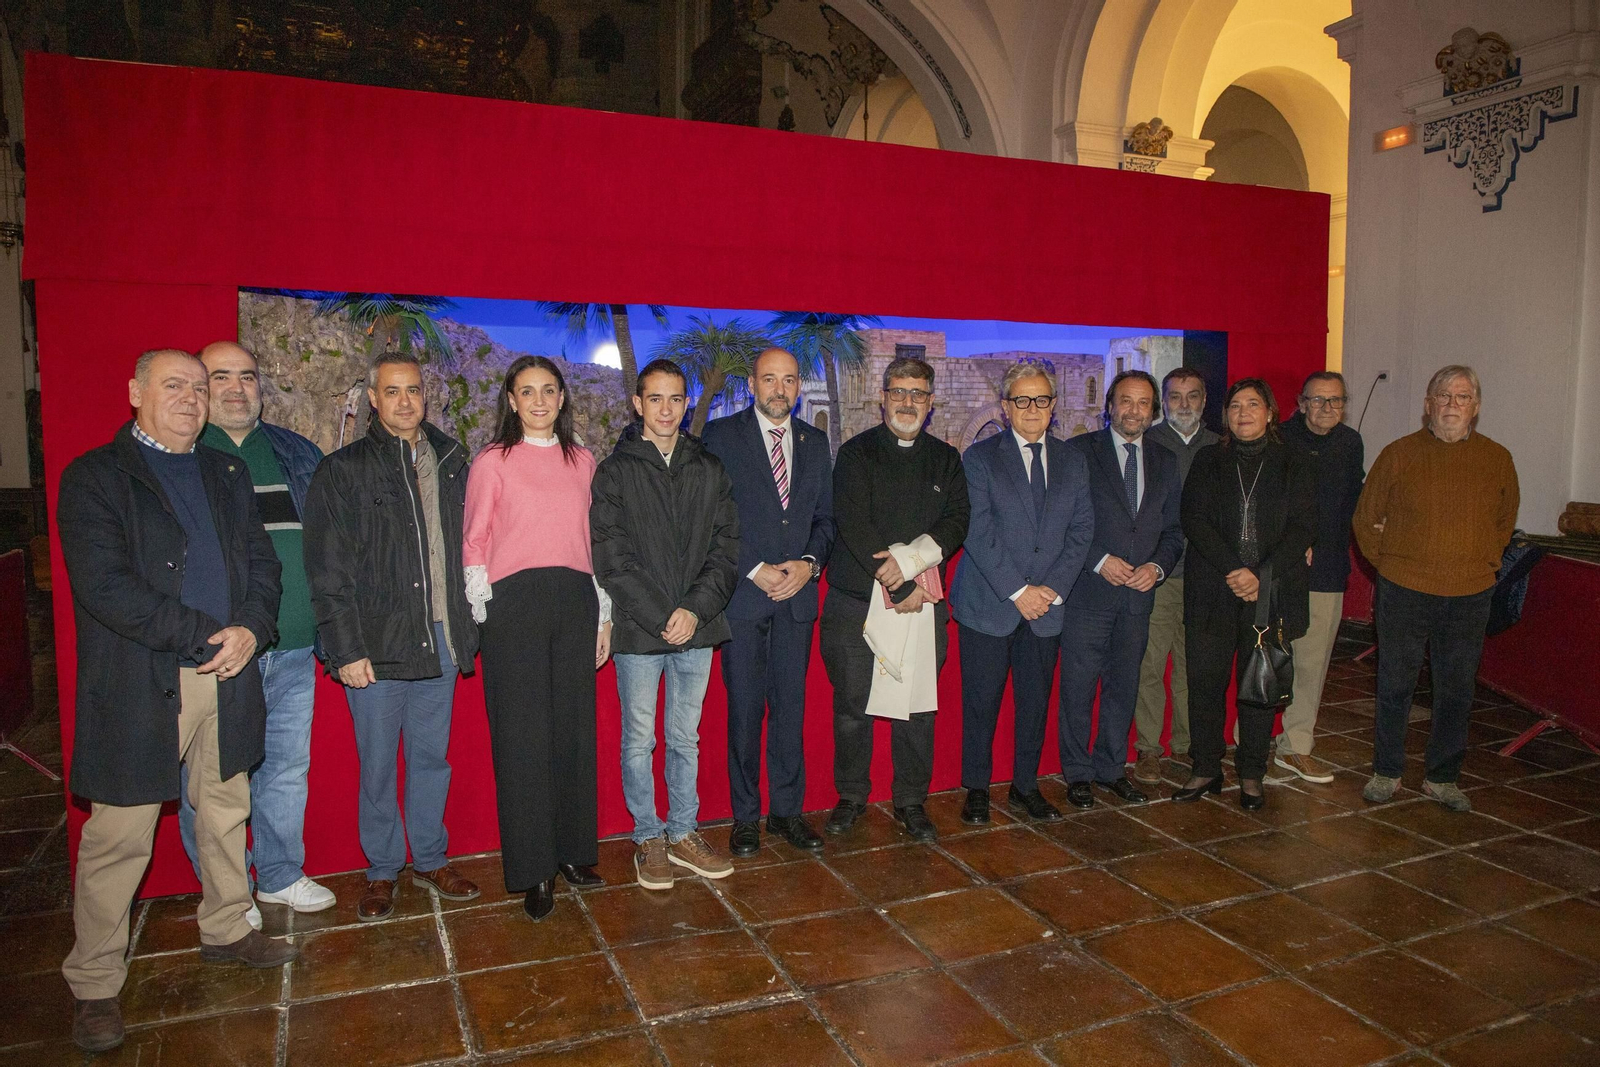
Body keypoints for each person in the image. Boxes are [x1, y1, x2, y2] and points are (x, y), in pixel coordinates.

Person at [58, 349, 294, 1053]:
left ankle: (226, 927)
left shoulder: (227, 472)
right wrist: (206, 634)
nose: (192, 397)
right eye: (175, 385)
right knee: (119, 836)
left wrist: (252, 627)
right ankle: (95, 983)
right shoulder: (96, 476)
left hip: (230, 671)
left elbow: (263, 565)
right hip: (143, 679)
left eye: (200, 386)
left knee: (225, 809)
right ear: (135, 392)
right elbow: (106, 586)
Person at [302, 351, 481, 922]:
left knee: (431, 759)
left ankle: (429, 858)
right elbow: (327, 569)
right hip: (376, 647)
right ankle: (382, 869)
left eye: (414, 390)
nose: (406, 401)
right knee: (377, 765)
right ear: (373, 399)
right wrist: (346, 648)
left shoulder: (452, 460)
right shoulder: (343, 470)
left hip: (442, 639)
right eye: (393, 391)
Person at [168, 342, 334, 922]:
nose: (237, 388)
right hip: (217, 652)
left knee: (286, 770)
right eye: (221, 377)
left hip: (293, 647)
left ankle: (280, 876)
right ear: (200, 387)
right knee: (212, 780)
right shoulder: (184, 454)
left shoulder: (296, 453)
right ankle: (228, 892)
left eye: (247, 376)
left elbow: (328, 545)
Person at [463, 356, 612, 921]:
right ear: (511, 401)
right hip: (513, 606)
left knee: (573, 732)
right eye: (527, 392)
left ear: (562, 397)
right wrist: (484, 613)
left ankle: (573, 853)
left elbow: (594, 543)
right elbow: (474, 541)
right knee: (523, 740)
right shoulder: (492, 461)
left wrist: (603, 615)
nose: (540, 401)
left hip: (575, 600)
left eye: (549, 390)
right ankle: (534, 869)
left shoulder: (583, 461)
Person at [591, 358, 740, 889]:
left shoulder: (709, 467)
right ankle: (648, 837)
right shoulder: (615, 471)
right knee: (638, 740)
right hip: (639, 630)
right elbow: (611, 557)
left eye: (675, 399)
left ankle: (682, 832)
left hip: (698, 626)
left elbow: (727, 548)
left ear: (687, 402)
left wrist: (694, 610)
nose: (666, 409)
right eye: (655, 399)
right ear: (638, 404)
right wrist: (661, 617)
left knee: (684, 738)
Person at [1355, 365, 1518, 812]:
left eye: (1461, 397)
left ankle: (1442, 778)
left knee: (1456, 689)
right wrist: (1391, 566)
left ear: (1475, 407)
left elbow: (1504, 523)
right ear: (1428, 405)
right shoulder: (1398, 454)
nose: (1451, 405)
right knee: (1395, 684)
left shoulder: (1497, 459)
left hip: (1469, 594)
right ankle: (1387, 771)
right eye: (1442, 396)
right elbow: (1366, 519)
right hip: (1404, 589)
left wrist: (1482, 564)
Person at [822, 355, 969, 843]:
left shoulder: (946, 459)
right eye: (899, 392)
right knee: (852, 705)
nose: (908, 402)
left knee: (918, 708)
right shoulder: (855, 453)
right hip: (856, 599)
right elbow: (853, 521)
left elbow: (957, 520)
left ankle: (911, 800)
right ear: (882, 398)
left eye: (918, 394)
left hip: (922, 602)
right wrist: (896, 582)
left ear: (931, 402)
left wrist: (909, 570)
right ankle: (851, 795)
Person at [703, 348, 835, 856]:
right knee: (744, 711)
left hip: (796, 600)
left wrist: (809, 564)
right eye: (769, 379)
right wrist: (753, 567)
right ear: (752, 385)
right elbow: (712, 517)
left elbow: (826, 520)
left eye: (789, 380)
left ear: (799, 386)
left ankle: (786, 813)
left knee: (790, 710)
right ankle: (745, 817)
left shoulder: (815, 441)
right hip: (743, 598)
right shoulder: (720, 437)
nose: (780, 389)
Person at [951, 361, 1093, 824]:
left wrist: (1050, 590)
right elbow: (977, 530)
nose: (1032, 408)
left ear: (1054, 406)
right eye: (1022, 399)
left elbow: (1082, 531)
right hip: (989, 604)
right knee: (981, 704)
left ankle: (1025, 786)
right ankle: (976, 788)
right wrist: (1018, 591)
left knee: (1034, 705)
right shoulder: (979, 458)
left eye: (1041, 400)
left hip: (1046, 608)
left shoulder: (1073, 461)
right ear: (1005, 407)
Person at [1177, 378, 1315, 811]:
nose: (1243, 413)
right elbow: (1194, 519)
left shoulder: (1294, 462)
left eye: (1253, 405)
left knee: (1259, 686)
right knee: (1204, 684)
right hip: (1212, 589)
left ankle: (1252, 773)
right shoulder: (1207, 459)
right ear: (1226, 415)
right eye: (1235, 406)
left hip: (1270, 595)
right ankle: (1205, 767)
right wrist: (1235, 570)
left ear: (1270, 412)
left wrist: (1261, 575)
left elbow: (1303, 527)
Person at [1059, 370, 1184, 807]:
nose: (1134, 410)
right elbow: (1063, 522)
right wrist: (1098, 560)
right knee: (1078, 689)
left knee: (1123, 688)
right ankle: (1077, 773)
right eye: (1126, 401)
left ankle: (1111, 769)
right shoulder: (1079, 452)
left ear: (1154, 411)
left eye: (1144, 403)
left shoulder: (1166, 460)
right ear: (1109, 406)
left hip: (1138, 597)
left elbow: (1174, 531)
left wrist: (1157, 567)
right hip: (1087, 595)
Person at [1274, 370, 1365, 785]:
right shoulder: (1278, 439)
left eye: (1336, 400)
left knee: (1311, 664)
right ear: (1300, 402)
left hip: (1327, 569)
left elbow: (1354, 504)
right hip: (1278, 568)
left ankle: (1295, 746)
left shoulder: (1350, 443)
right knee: (1267, 656)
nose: (1327, 408)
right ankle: (1250, 741)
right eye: (1318, 400)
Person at [1130, 368, 1219, 784]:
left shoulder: (1220, 446)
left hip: (1207, 578)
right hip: (1159, 576)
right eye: (1175, 396)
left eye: (1192, 395)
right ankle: (1149, 749)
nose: (1184, 404)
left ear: (1204, 400)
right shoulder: (1146, 444)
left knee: (1192, 667)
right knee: (1150, 665)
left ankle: (1185, 744)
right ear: (1163, 403)